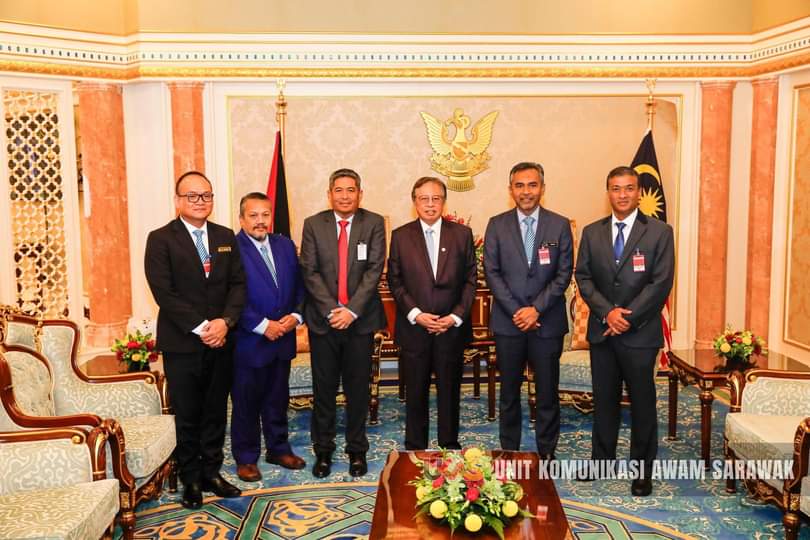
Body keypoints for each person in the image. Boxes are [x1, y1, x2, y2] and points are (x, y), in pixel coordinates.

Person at [144, 170, 246, 509]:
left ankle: (211, 473)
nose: (200, 201)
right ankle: (190, 478)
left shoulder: (225, 236)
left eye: (206, 195)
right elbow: (164, 293)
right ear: (178, 200)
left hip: (222, 340)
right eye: (192, 195)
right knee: (188, 413)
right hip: (183, 343)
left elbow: (238, 285)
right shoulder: (160, 239)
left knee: (216, 411)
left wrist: (225, 323)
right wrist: (203, 327)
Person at [575, 166, 675, 496]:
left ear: (639, 192)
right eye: (616, 188)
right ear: (608, 193)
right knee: (604, 400)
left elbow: (661, 282)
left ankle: (642, 471)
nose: (622, 194)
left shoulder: (660, 232)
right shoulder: (592, 232)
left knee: (642, 403)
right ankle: (601, 460)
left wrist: (628, 318)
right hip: (603, 332)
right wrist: (608, 313)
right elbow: (583, 277)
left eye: (629, 188)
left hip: (640, 333)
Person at [299, 168, 387, 478]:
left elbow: (374, 270)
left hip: (359, 323)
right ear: (329, 194)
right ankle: (323, 450)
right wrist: (331, 310)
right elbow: (308, 270)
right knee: (323, 389)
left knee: (357, 389)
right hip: (323, 323)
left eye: (351, 190)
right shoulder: (313, 224)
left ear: (360, 194)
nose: (345, 196)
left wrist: (351, 311)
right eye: (339, 190)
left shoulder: (373, 222)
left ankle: (357, 450)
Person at [483, 162, 573, 459]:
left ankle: (546, 452)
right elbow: (492, 272)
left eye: (532, 185)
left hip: (547, 324)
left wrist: (536, 310)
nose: (526, 191)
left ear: (542, 188)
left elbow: (563, 274)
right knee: (509, 393)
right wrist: (518, 311)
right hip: (508, 324)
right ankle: (509, 451)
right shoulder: (497, 225)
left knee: (547, 393)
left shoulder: (559, 225)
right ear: (510, 190)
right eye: (519, 185)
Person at [387, 177, 477, 450]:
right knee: (415, 391)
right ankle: (415, 447)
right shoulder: (401, 236)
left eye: (435, 198)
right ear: (414, 202)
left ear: (443, 202)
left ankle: (449, 444)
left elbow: (470, 280)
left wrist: (455, 316)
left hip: (451, 329)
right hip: (415, 329)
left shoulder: (462, 234)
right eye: (423, 199)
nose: (430, 204)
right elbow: (395, 280)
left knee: (450, 391)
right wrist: (416, 314)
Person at [231, 192, 306, 482]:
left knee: (277, 399)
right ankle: (246, 457)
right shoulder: (232, 249)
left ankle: (278, 448)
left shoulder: (285, 245)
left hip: (283, 338)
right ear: (242, 219)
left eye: (265, 214)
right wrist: (263, 325)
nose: (260, 221)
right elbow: (229, 295)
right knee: (246, 403)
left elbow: (300, 287)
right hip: (250, 340)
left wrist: (295, 316)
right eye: (253, 215)